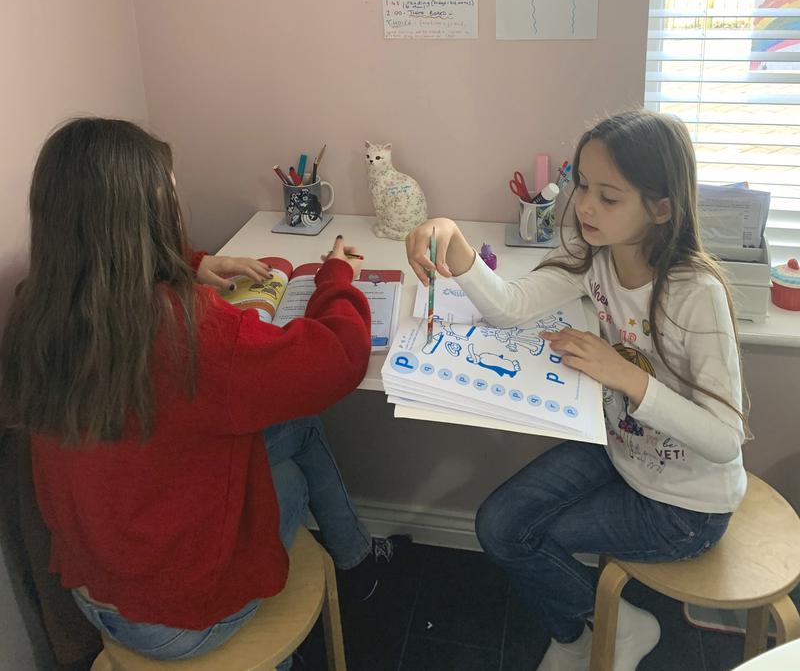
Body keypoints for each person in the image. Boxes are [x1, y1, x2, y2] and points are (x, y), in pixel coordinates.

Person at [0, 117, 405, 667]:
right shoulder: (189, 335)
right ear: (148, 218)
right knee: (289, 471)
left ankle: (357, 564)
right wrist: (335, 276)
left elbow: (105, 269)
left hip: (93, 588)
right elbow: (339, 358)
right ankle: (350, 575)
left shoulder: (37, 310)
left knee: (296, 429)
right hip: (181, 617)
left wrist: (193, 264)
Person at [406, 109, 747, 671]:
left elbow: (725, 439)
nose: (584, 206)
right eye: (582, 185)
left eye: (608, 197)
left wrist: (624, 374)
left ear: (661, 208)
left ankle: (614, 627)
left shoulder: (695, 293)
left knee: (519, 534)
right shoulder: (595, 257)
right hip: (620, 452)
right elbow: (510, 307)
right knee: (496, 522)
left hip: (686, 507)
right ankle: (582, 633)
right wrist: (453, 240)